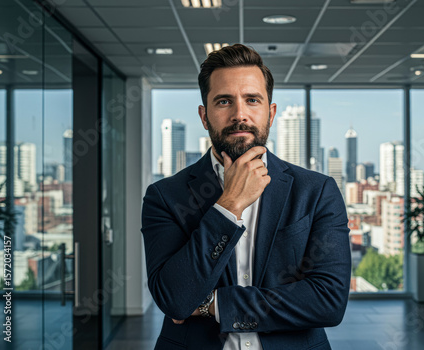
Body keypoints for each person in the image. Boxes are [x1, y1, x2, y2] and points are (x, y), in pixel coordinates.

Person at [141, 44, 351, 350]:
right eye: (224, 101)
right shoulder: (165, 195)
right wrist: (229, 206)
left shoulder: (316, 191)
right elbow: (174, 298)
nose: (240, 115)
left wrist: (213, 304)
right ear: (204, 116)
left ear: (271, 112)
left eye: (252, 100)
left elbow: (328, 300)